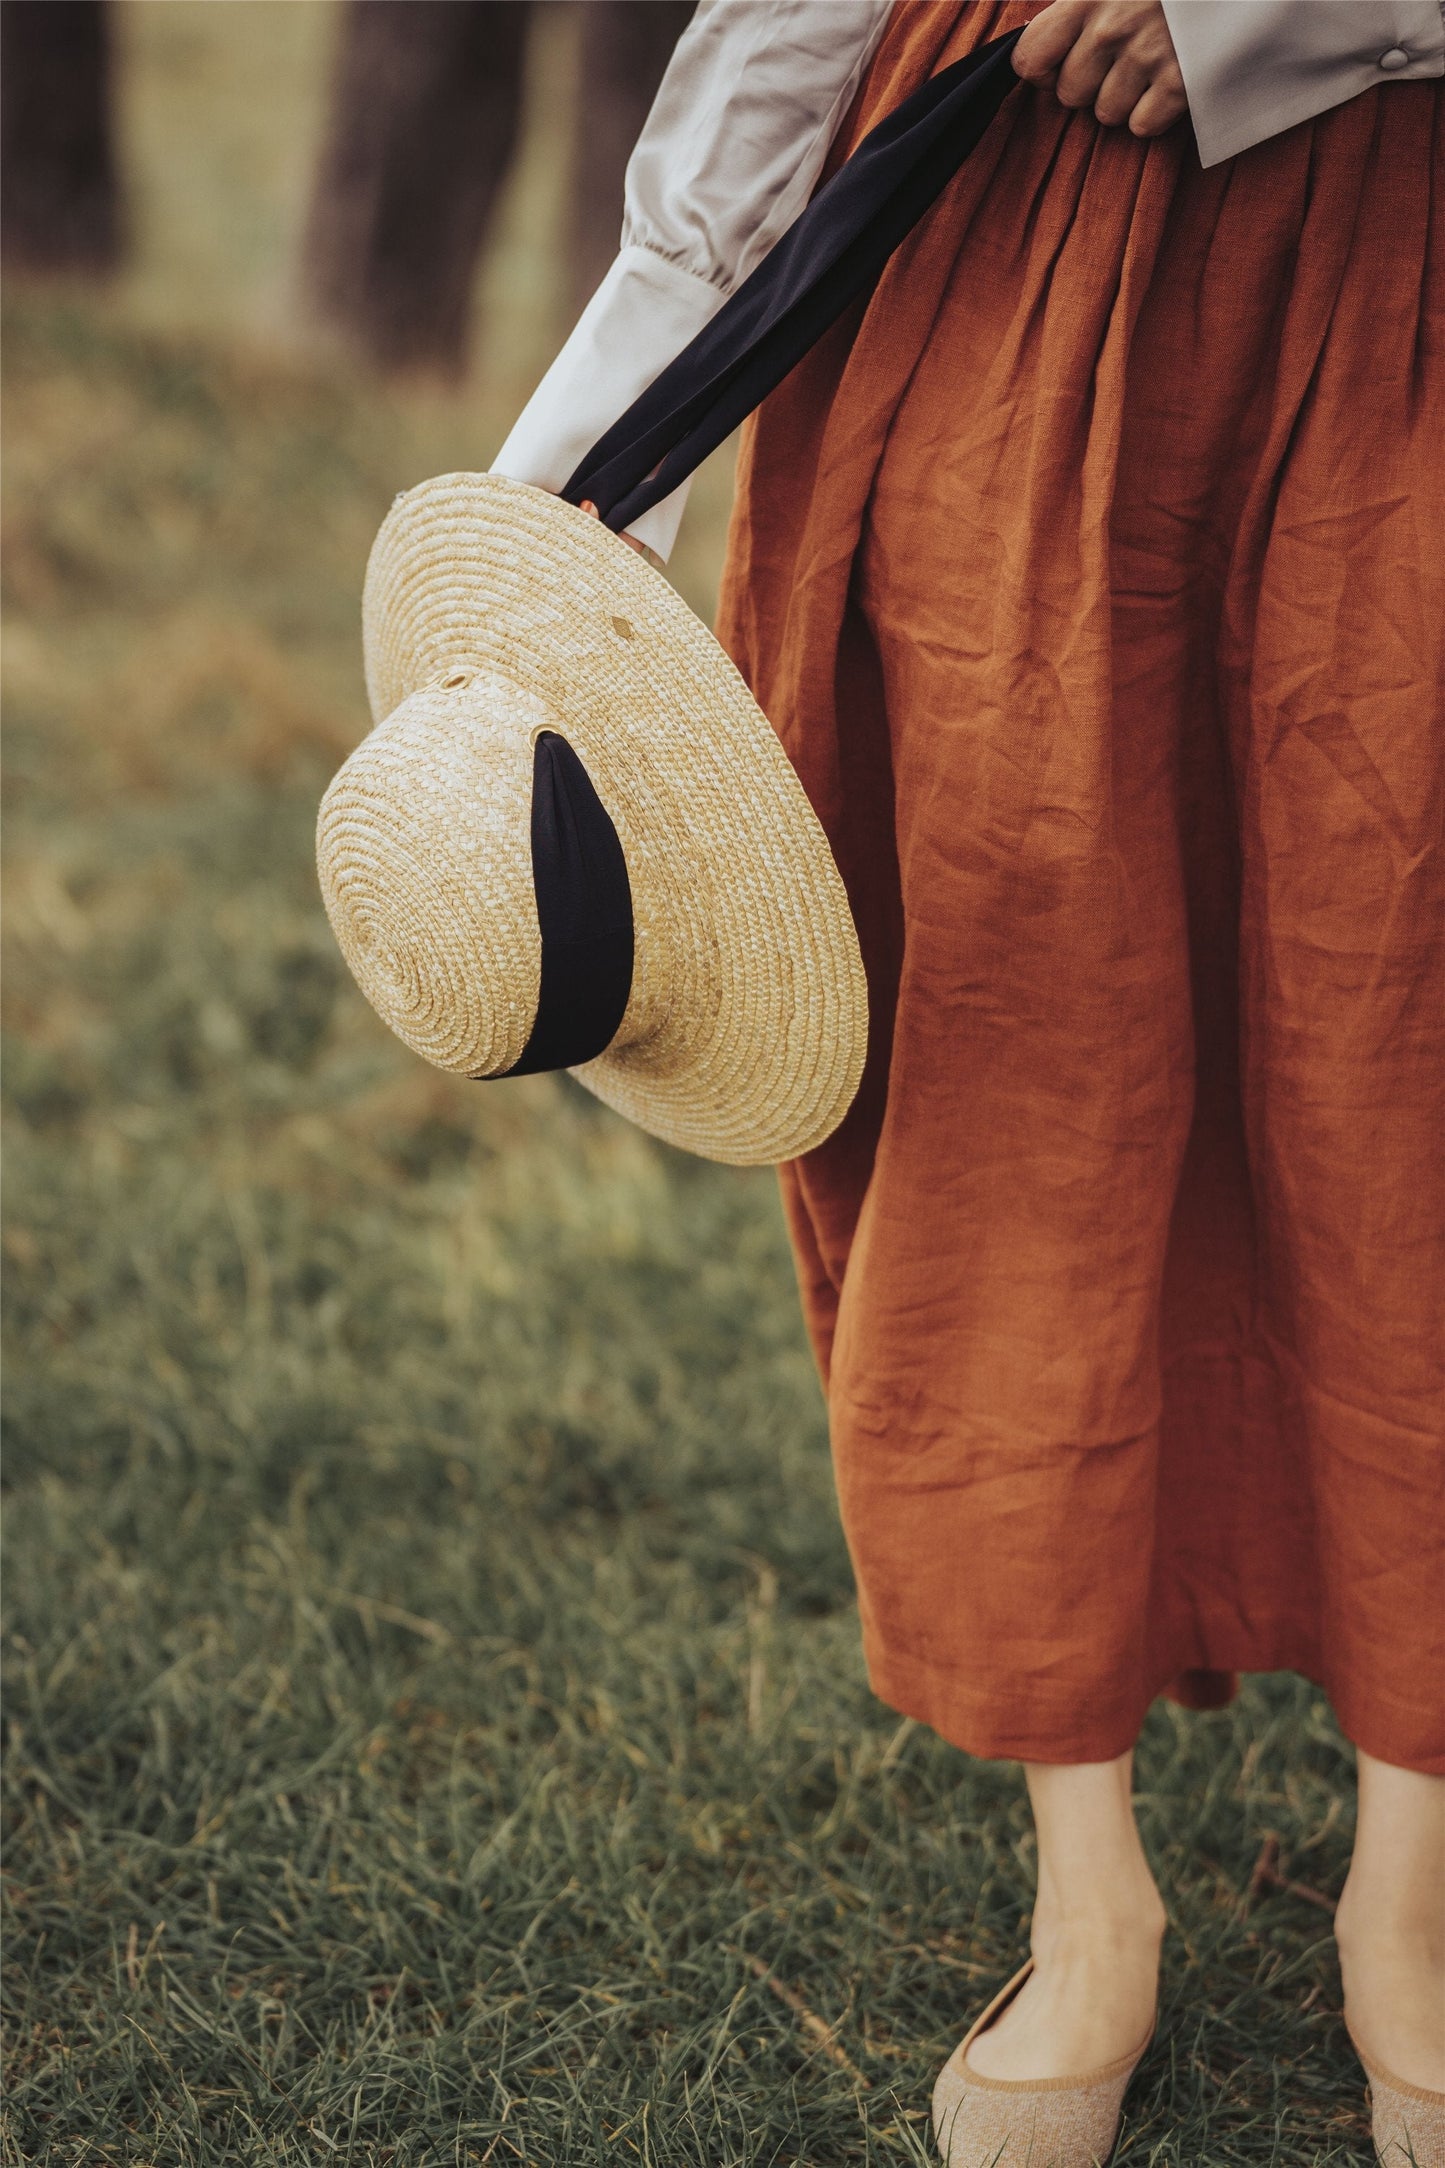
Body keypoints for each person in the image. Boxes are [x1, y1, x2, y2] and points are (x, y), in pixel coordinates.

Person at [492, 1, 1445, 2155]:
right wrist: (573, 480)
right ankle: (1083, 1882)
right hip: (1005, 281)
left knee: (1405, 1051)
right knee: (1027, 1060)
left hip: (1407, 254)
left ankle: (1418, 1874)